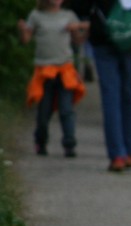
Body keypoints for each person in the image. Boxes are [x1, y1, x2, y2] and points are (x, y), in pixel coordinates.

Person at [69, 0, 131, 171]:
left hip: (104, 37)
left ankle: (117, 154)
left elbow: (80, 6)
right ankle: (130, 151)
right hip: (129, 36)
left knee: (110, 96)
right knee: (128, 93)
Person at [18, 0, 89, 158]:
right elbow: (26, 39)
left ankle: (69, 144)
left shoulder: (68, 15)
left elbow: (78, 40)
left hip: (65, 69)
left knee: (66, 109)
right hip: (44, 70)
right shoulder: (36, 16)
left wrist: (83, 29)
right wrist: (22, 30)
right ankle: (41, 141)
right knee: (44, 110)